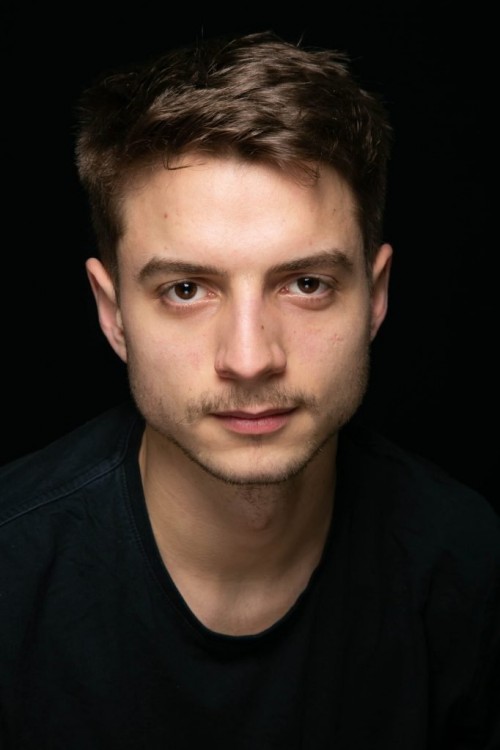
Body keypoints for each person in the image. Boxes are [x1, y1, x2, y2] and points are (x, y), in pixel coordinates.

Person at [0, 29, 498, 750]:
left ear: (376, 297)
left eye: (306, 284)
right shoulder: (11, 575)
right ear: (113, 315)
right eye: (186, 289)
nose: (250, 358)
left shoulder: (467, 564)